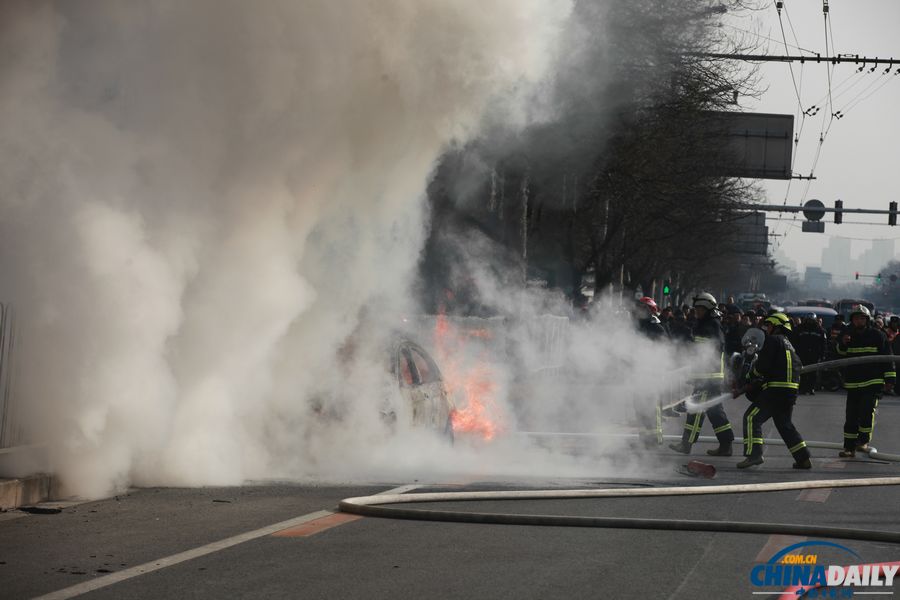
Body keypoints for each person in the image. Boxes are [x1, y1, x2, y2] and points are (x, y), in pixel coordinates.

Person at [737, 313, 812, 469]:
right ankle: (803, 458)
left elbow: (762, 366)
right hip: (790, 391)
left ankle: (754, 455)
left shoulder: (772, 340)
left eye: (769, 326)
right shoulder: (789, 345)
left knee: (751, 418)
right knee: (785, 424)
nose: (767, 329)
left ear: (777, 326)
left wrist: (750, 376)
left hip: (776, 390)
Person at [669, 292, 735, 456]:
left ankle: (686, 444)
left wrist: (692, 345)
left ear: (707, 309)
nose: (696, 311)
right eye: (696, 308)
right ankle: (726, 445)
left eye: (699, 308)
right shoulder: (705, 323)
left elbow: (715, 347)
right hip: (706, 376)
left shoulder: (712, 324)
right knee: (715, 412)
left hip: (709, 377)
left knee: (696, 409)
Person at [834, 305, 896, 457]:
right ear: (852, 320)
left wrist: (890, 378)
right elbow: (838, 354)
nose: (859, 321)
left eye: (862, 318)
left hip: (872, 382)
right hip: (853, 382)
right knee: (851, 416)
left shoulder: (877, 335)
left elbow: (887, 358)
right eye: (856, 318)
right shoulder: (847, 334)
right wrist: (843, 343)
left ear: (867, 320)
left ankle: (862, 441)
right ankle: (849, 448)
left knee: (866, 412)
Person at [792, 314, 827, 395]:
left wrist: (823, 355)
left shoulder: (820, 330)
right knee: (802, 372)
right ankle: (802, 388)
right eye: (808, 320)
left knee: (813, 373)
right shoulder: (799, 329)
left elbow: (824, 344)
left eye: (811, 320)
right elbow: (794, 342)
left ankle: (811, 388)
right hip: (802, 355)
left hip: (814, 355)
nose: (810, 322)